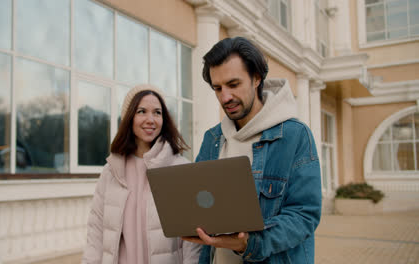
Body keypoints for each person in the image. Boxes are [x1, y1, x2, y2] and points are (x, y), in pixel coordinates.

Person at [182, 37, 322, 263]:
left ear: (257, 78)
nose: (225, 97)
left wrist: (250, 243)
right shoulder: (212, 139)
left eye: (233, 84)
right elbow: (198, 205)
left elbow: (304, 215)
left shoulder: (295, 136)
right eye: (217, 88)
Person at [82, 84, 201, 264]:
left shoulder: (180, 169)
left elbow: (193, 244)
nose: (150, 119)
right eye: (142, 111)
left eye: (157, 112)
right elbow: (96, 232)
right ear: (129, 117)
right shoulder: (111, 171)